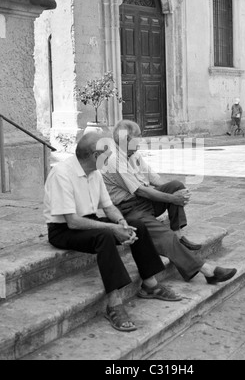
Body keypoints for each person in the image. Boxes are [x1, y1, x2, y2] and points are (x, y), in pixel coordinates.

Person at [44, 132, 181, 333]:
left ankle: (150, 284)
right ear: (94, 154)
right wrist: (112, 228)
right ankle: (114, 304)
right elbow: (72, 222)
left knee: (137, 224)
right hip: (62, 229)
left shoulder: (95, 173)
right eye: (106, 154)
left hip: (89, 221)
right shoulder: (62, 173)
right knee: (105, 235)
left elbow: (108, 208)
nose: (109, 158)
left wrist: (122, 223)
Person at [101, 120, 237, 285]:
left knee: (175, 186)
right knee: (165, 235)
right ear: (125, 140)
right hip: (128, 210)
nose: (141, 141)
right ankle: (207, 271)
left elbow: (153, 178)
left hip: (142, 202)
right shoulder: (114, 159)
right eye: (138, 138)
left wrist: (176, 193)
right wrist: (173, 199)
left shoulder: (133, 153)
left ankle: (178, 234)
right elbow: (141, 190)